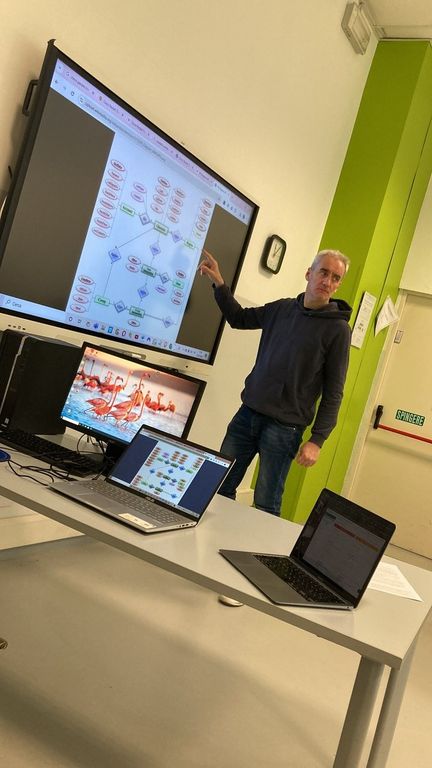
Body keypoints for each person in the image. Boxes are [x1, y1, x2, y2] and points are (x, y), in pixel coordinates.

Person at [198, 248, 352, 519]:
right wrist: (219, 284)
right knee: (219, 486)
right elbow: (239, 318)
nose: (328, 281)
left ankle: (255, 546)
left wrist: (317, 440)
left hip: (285, 429)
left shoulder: (338, 330)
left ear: (338, 285)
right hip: (247, 416)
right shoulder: (282, 309)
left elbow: (334, 392)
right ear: (309, 273)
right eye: (324, 272)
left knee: (266, 504)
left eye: (335, 278)